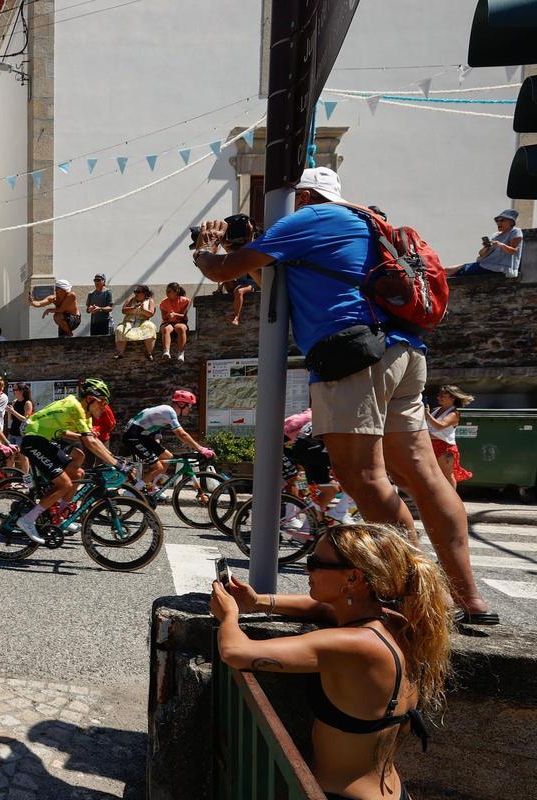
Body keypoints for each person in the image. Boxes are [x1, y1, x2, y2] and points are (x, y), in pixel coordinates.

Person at [191, 165, 495, 625]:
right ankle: (471, 600)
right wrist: (248, 242)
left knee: (364, 477)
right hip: (404, 351)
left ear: (305, 196)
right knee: (425, 477)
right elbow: (275, 276)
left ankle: (415, 596)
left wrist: (205, 247)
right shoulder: (365, 223)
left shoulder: (310, 218)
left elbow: (224, 272)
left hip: (351, 354)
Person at [210, 523, 451, 800]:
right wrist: (258, 602)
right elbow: (323, 607)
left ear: (353, 578)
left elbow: (236, 652)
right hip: (393, 792)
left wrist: (228, 614)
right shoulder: (393, 623)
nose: (307, 569)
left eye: (315, 562)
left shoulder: (354, 645)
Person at [15, 379, 122, 545]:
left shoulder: (86, 414)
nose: (104, 407)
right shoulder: (75, 407)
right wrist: (117, 465)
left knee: (78, 473)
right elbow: (90, 442)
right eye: (102, 402)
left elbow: (92, 440)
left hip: (46, 440)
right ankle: (27, 520)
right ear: (90, 399)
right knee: (64, 484)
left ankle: (60, 515)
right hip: (33, 440)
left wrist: (113, 458)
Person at [119, 390, 214, 489]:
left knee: (167, 456)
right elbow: (182, 434)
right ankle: (133, 492)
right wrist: (201, 449)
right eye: (189, 406)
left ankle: (151, 487)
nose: (190, 410)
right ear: (181, 404)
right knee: (157, 467)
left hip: (141, 435)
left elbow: (154, 425)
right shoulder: (169, 412)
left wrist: (156, 441)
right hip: (133, 436)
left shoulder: (166, 410)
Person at [447, 209, 523, 278]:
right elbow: (481, 254)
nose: (498, 222)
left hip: (500, 267)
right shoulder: (495, 235)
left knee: (457, 270)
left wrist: (500, 245)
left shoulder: (515, 231)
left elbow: (513, 251)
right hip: (486, 265)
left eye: (502, 220)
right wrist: (486, 247)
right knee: (449, 269)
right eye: (497, 220)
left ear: (511, 222)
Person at [425, 386, 474, 490]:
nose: (439, 397)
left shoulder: (454, 414)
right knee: (433, 476)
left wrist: (427, 415)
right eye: (439, 395)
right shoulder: (435, 410)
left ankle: (452, 502)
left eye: (442, 395)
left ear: (453, 398)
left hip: (444, 448)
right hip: (430, 446)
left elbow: (440, 426)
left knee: (447, 477)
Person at [114, 284, 158, 360]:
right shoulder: (131, 299)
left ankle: (149, 353)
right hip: (129, 322)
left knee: (151, 327)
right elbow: (123, 310)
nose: (136, 294)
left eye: (138, 292)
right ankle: (120, 353)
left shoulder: (150, 301)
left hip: (143, 322)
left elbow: (150, 313)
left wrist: (143, 310)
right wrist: (133, 308)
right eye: (135, 292)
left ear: (144, 293)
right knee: (119, 329)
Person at [4, 383, 33, 475]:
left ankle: (26, 480)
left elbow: (26, 419)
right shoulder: (14, 402)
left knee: (23, 457)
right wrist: (9, 412)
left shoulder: (27, 403)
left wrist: (13, 411)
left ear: (21, 391)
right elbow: (12, 419)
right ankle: (10, 479)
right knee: (9, 456)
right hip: (12, 432)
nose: (13, 392)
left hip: (22, 434)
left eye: (15, 390)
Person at [159, 282, 191, 361]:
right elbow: (163, 317)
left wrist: (175, 314)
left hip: (181, 322)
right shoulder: (164, 302)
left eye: (169, 291)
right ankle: (166, 352)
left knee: (180, 328)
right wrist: (168, 315)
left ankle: (181, 353)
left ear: (176, 291)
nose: (167, 293)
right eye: (166, 291)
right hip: (168, 322)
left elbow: (183, 315)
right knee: (166, 329)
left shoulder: (185, 301)